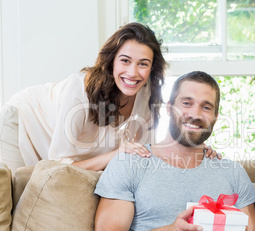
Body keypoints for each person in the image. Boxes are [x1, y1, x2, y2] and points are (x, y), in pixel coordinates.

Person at [93, 71, 255, 231]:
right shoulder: (129, 164)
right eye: (187, 103)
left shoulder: (232, 172)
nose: (195, 114)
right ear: (169, 109)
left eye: (206, 107)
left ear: (215, 117)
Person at [0, 22, 218, 174]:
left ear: (152, 69)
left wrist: (196, 149)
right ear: (111, 61)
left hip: (66, 155)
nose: (133, 73)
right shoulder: (79, 90)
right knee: (10, 194)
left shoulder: (147, 96)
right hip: (24, 122)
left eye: (143, 64)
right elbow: (56, 166)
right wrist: (115, 154)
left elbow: (147, 152)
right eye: (125, 61)